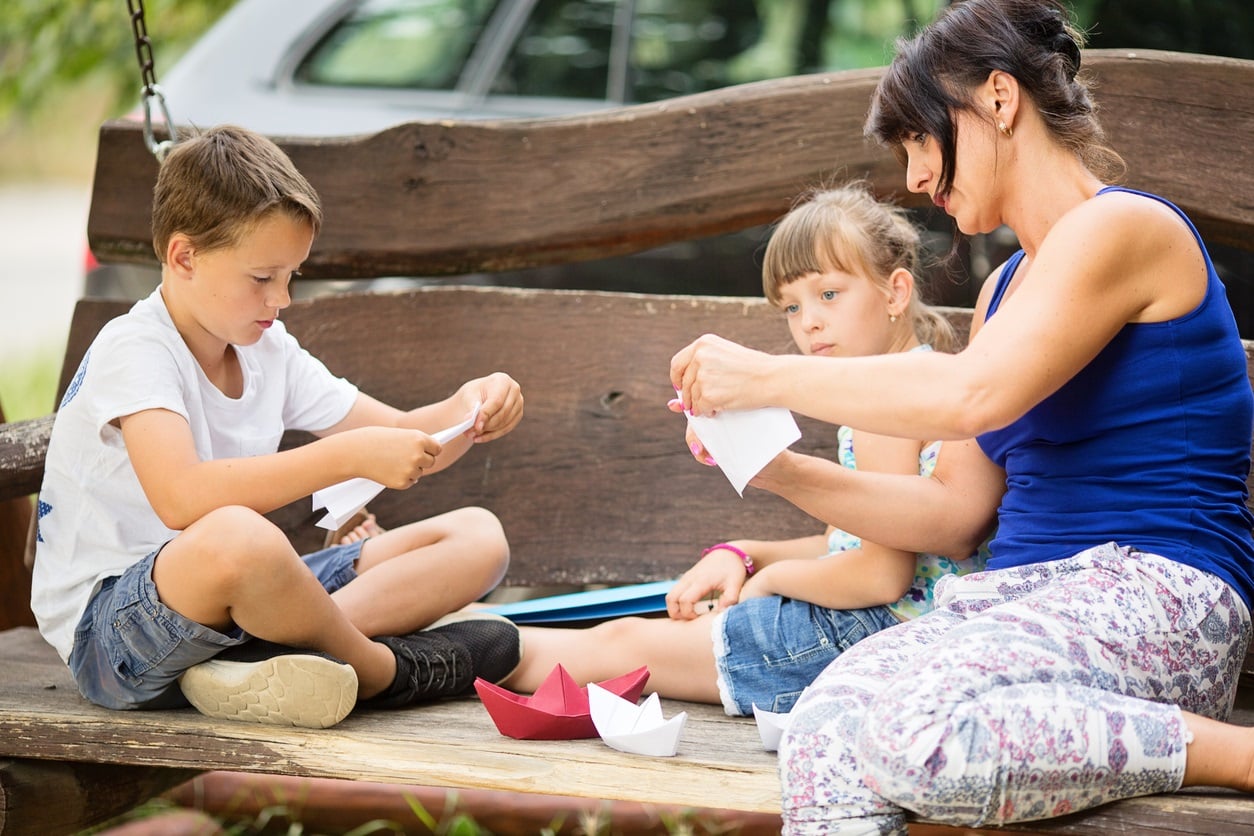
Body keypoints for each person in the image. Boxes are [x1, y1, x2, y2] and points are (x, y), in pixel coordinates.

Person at [670, 0, 1254, 831]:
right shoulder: (1006, 289)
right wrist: (773, 465)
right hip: (1016, 607)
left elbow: (970, 394)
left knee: (911, 737)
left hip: (1156, 595)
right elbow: (951, 516)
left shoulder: (1126, 227)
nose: (912, 177)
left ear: (998, 100)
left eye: (918, 138)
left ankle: (1231, 755)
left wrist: (766, 376)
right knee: (824, 734)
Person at [30, 125, 526, 730]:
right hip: (114, 633)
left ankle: (267, 661)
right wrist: (347, 458)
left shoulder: (268, 350)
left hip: (235, 608)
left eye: (292, 275)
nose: (283, 297)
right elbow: (181, 498)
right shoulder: (136, 347)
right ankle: (379, 672)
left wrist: (468, 408)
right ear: (184, 257)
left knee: (478, 537)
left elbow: (400, 433)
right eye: (263, 278)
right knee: (238, 535)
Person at [502, 184, 1000, 713]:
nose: (808, 321)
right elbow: (847, 545)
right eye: (791, 305)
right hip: (882, 627)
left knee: (620, 647)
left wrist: (770, 581)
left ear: (896, 292)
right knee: (619, 642)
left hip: (877, 635)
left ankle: (446, 659)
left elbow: (881, 575)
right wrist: (743, 553)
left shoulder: (890, 397)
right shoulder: (896, 388)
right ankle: (452, 655)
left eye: (828, 294)